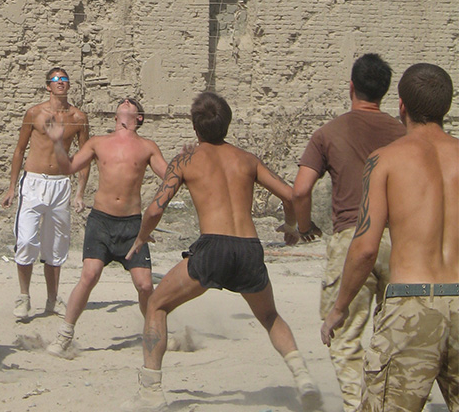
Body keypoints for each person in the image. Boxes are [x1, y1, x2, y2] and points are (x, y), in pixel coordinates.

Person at [123, 92, 321, 411]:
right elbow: (292, 195)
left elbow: (155, 210)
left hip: (213, 246)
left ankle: (150, 391)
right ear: (227, 124)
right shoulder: (247, 159)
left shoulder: (185, 160)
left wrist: (141, 238)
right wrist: (291, 227)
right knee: (269, 316)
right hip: (249, 247)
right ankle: (303, 379)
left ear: (195, 127)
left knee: (157, 305)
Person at [321, 63, 458, 412]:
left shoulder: (385, 160)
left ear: (401, 106)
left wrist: (339, 307)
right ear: (447, 106)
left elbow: (365, 249)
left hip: (411, 303)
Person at [291, 53, 405, 412]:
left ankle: (357, 405)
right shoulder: (403, 134)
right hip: (399, 243)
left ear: (351, 86)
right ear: (384, 92)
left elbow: (300, 190)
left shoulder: (329, 133)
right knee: (392, 335)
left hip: (351, 239)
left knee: (343, 335)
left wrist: (305, 227)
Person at [43, 98, 167, 358]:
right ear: (115, 116)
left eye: (131, 103)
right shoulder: (98, 142)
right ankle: (64, 335)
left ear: (139, 118)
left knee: (145, 285)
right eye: (122, 102)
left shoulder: (147, 147)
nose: (125, 102)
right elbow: (67, 167)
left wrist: (190, 162)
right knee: (89, 275)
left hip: (132, 225)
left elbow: (169, 178)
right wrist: (56, 141)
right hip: (101, 221)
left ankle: (153, 331)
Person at [1, 67, 90, 320]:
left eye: (65, 79)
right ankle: (24, 296)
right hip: (33, 182)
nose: (61, 82)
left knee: (56, 246)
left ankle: (52, 299)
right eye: (56, 79)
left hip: (61, 184)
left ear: (69, 86)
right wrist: (11, 188)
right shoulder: (35, 113)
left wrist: (80, 193)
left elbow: (84, 158)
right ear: (48, 86)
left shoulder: (78, 117)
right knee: (27, 240)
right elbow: (19, 150)